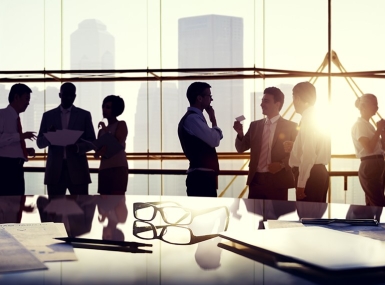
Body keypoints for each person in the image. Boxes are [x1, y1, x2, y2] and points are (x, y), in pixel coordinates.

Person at [233, 87, 298, 200]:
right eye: (262, 101)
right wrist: (240, 133)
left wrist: (281, 165)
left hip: (278, 180)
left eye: (266, 101)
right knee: (254, 216)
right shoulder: (255, 126)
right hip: (256, 180)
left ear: (277, 104)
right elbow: (241, 148)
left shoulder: (291, 126)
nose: (261, 104)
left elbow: (297, 154)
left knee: (276, 216)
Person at [37, 82, 96, 195]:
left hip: (78, 170)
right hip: (55, 171)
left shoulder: (84, 115)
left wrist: (78, 148)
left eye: (71, 95)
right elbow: (40, 143)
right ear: (60, 95)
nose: (68, 97)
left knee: (81, 209)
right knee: (54, 210)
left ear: (75, 96)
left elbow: (92, 141)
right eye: (65, 94)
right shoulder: (48, 116)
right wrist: (50, 137)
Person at [178, 82, 223, 197]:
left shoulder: (195, 118)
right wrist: (213, 120)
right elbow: (214, 140)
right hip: (201, 179)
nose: (211, 99)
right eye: (209, 96)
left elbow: (215, 137)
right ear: (199, 98)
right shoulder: (192, 119)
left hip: (203, 177)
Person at [288, 82, 331, 202]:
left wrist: (301, 183)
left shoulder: (308, 118)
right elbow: (316, 146)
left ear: (297, 98)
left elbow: (309, 153)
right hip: (319, 172)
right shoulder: (320, 116)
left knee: (307, 216)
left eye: (293, 98)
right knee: (315, 218)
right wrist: (296, 147)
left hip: (310, 175)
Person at [0, 83, 36, 195]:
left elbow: (9, 143)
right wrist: (20, 136)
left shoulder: (15, 117)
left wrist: (24, 150)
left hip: (17, 166)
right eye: (26, 99)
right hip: (5, 166)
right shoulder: (2, 114)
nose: (28, 103)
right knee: (7, 203)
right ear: (16, 97)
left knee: (17, 202)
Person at [351, 94, 385, 206]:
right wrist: (379, 129)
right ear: (364, 107)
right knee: (378, 201)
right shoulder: (359, 125)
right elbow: (369, 148)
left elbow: (382, 148)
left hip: (378, 163)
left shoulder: (369, 126)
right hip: (370, 165)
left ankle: (373, 222)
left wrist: (382, 133)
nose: (377, 107)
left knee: (373, 202)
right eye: (374, 104)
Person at [94, 95, 128, 195]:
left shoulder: (121, 124)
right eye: (103, 107)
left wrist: (105, 129)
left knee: (117, 202)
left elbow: (116, 143)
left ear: (115, 109)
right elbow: (100, 151)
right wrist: (97, 152)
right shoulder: (101, 132)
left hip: (118, 167)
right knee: (104, 204)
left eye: (108, 107)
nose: (104, 109)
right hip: (104, 168)